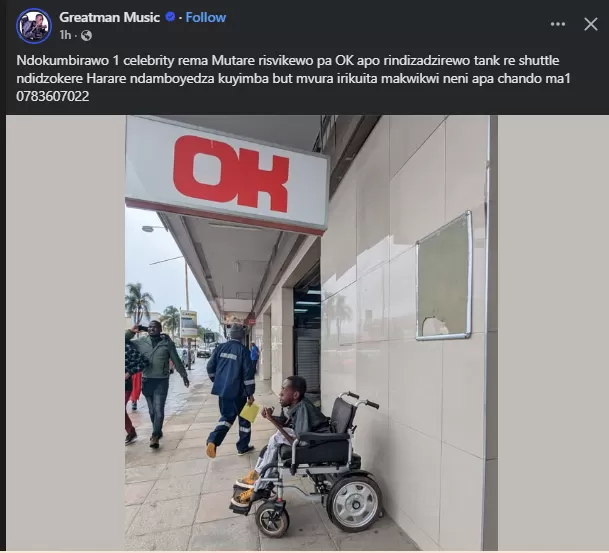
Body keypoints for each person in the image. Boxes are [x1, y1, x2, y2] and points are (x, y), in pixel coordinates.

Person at [231, 375, 330, 507]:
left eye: (284, 390)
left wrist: (272, 420)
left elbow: (298, 442)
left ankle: (259, 485)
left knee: (277, 438)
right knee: (273, 443)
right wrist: (272, 417)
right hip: (309, 437)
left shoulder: (303, 408)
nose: (280, 393)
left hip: (316, 442)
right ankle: (257, 476)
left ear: (295, 395)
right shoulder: (298, 404)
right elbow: (288, 424)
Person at [126, 321, 189, 448]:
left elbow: (176, 359)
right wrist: (131, 331)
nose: (151, 329)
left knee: (159, 410)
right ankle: (158, 430)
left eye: (154, 327)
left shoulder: (167, 343)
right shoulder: (141, 341)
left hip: (161, 381)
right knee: (152, 411)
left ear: (160, 329)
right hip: (147, 381)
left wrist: (184, 375)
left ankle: (155, 436)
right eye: (149, 327)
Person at [205, 324, 256, 458]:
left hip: (223, 392)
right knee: (245, 418)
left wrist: (217, 381)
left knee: (226, 417)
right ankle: (242, 447)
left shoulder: (220, 348)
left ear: (230, 335)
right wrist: (250, 393)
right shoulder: (243, 350)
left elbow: (210, 367)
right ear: (241, 336)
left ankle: (213, 441)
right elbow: (248, 374)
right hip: (239, 393)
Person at [125, 336, 149, 444]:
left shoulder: (126, 348)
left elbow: (144, 362)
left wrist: (129, 373)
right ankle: (131, 432)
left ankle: (131, 432)